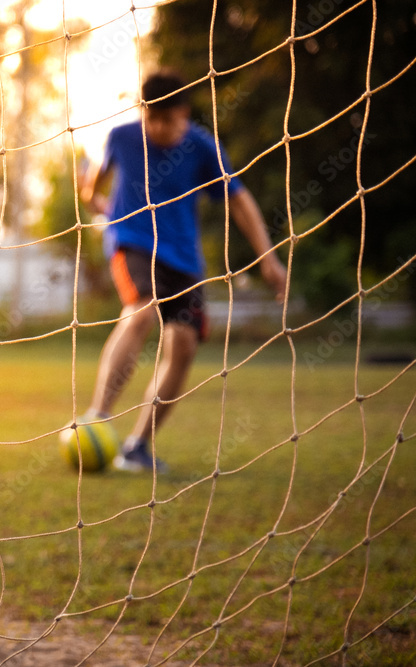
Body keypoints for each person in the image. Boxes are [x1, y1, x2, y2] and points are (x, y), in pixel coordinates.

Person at [79, 70, 287, 473]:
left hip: (183, 259)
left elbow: (239, 201)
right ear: (143, 113)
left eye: (167, 119)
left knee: (184, 345)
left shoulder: (202, 147)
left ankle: (137, 446)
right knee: (142, 308)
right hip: (133, 241)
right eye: (151, 118)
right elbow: (91, 188)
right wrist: (98, 204)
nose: (158, 127)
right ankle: (97, 418)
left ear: (183, 114)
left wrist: (269, 258)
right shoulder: (121, 138)